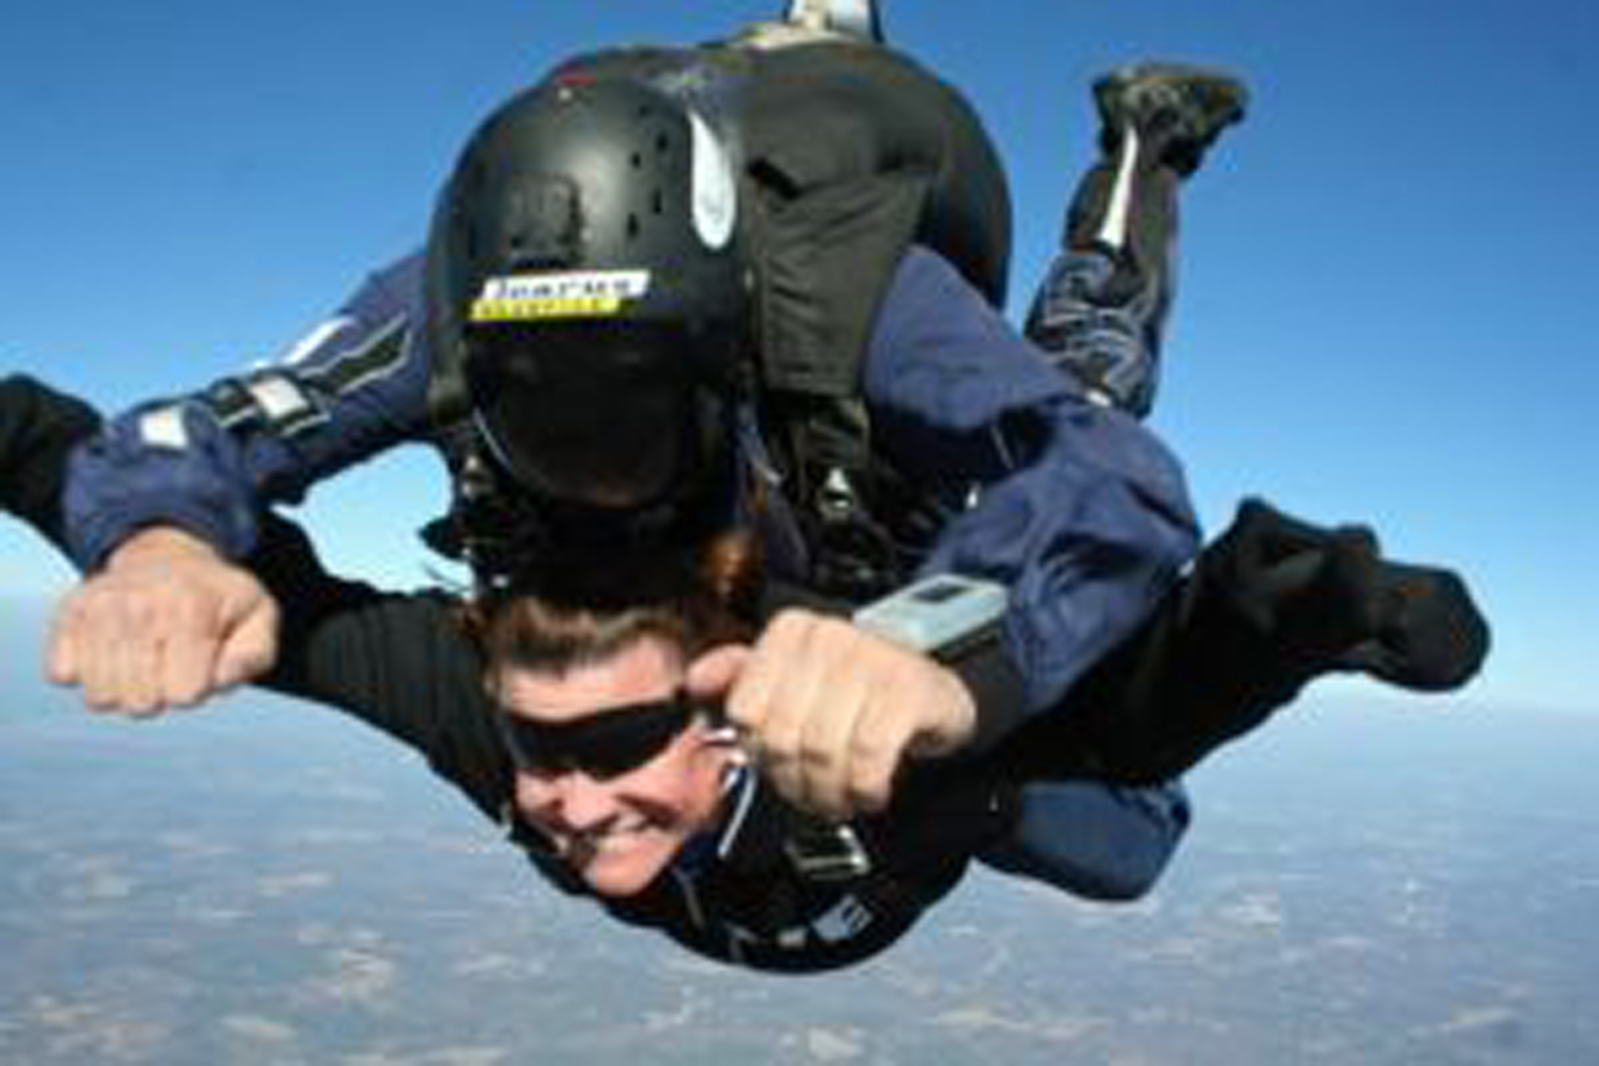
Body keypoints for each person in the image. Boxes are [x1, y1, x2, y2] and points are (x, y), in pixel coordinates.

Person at [52, 29, 1247, 813]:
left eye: (633, 412)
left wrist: (944, 644)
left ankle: (1147, 149)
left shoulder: (848, 295)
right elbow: (195, 429)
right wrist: (158, 541)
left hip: (854, 268)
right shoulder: (446, 308)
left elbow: (1106, 472)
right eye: (541, 412)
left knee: (1090, 371)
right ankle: (813, 30)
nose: (593, 480)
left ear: (718, 349)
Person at [5, 374, 1485, 973]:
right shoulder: (494, 712)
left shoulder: (856, 734)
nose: (564, 798)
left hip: (963, 771)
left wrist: (1272, 624)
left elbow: (1110, 708)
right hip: (901, 797)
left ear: (723, 706)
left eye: (618, 740)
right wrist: (145, 545)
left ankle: (1134, 174)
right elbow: (264, 598)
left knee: (1113, 835)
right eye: (538, 747)